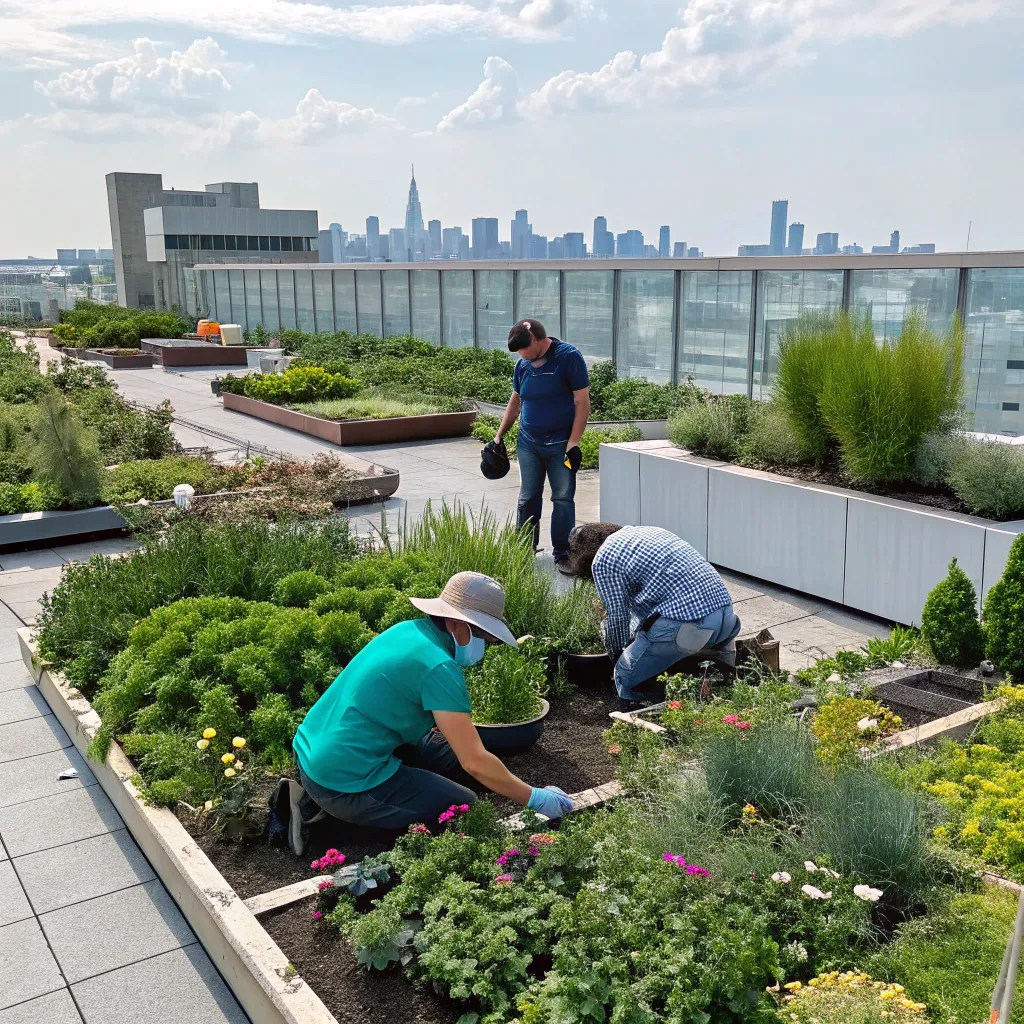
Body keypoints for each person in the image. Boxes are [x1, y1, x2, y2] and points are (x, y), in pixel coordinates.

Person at [274, 571, 574, 855]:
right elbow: (475, 761)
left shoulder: (409, 631)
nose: (486, 645)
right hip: (342, 782)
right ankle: (320, 815)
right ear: (458, 624)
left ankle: (324, 798)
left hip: (315, 750)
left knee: (453, 761)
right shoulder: (438, 667)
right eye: (483, 636)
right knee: (460, 806)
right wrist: (534, 798)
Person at [560, 523, 742, 702]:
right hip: (725, 618)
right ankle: (729, 685)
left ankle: (638, 707)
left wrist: (617, 656)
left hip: (691, 627)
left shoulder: (603, 559)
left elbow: (618, 618)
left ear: (584, 556)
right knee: (722, 677)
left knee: (624, 676)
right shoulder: (644, 534)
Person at [490, 319, 590, 567]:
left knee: (563, 498)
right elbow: (515, 403)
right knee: (528, 497)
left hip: (560, 444)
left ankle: (564, 553)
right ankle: (523, 549)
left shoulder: (569, 358)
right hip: (529, 442)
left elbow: (582, 403)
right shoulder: (523, 365)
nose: (521, 355)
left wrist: (574, 443)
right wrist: (498, 436)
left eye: (523, 349)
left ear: (536, 340)